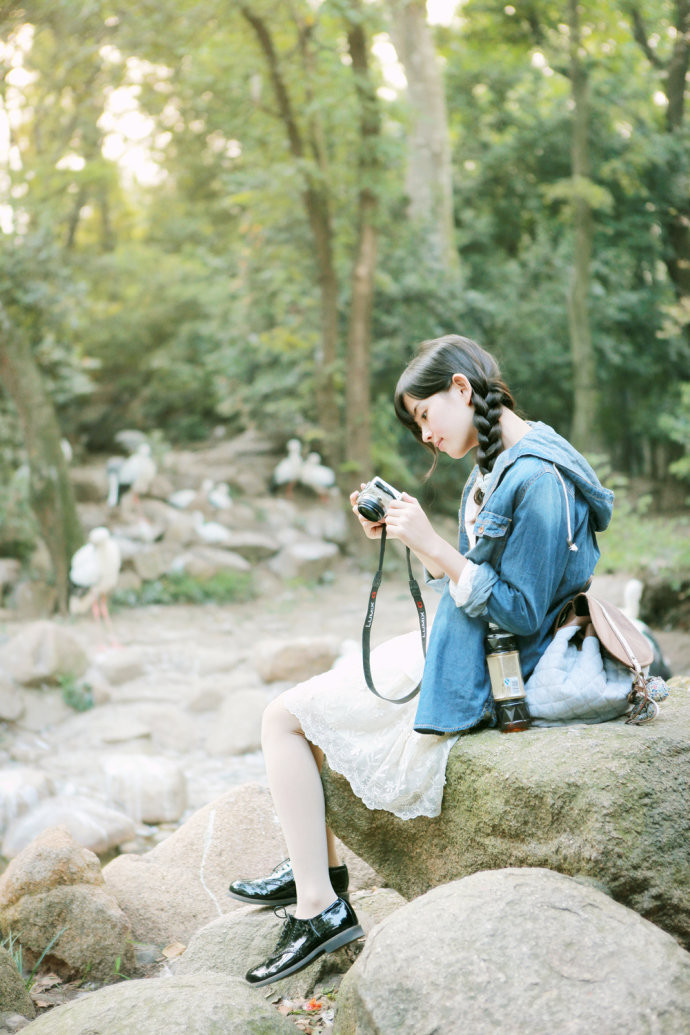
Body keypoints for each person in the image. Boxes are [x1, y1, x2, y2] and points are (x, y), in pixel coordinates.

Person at [230, 333, 614, 987]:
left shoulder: (538, 476)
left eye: (424, 416)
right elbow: (480, 571)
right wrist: (411, 533)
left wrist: (432, 543)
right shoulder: (501, 457)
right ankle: (313, 864)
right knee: (304, 708)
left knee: (281, 718)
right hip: (468, 641)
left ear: (460, 388)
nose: (425, 434)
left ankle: (320, 906)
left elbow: (519, 610)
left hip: (494, 667)